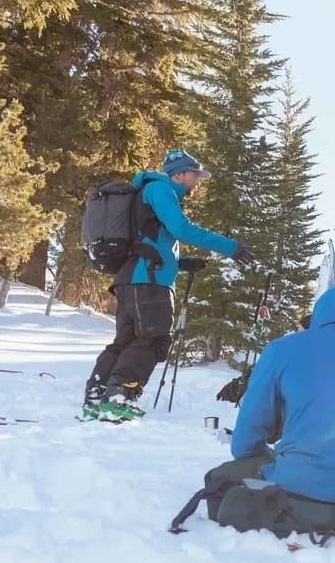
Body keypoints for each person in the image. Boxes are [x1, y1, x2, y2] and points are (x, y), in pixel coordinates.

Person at [174, 281, 335, 540]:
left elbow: (246, 442)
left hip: (302, 488)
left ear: (321, 312)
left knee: (221, 477)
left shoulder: (283, 349)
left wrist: (268, 459)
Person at [82, 149, 253, 422]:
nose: (198, 181)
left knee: (126, 342)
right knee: (154, 339)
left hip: (133, 278)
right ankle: (119, 397)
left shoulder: (150, 193)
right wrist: (231, 247)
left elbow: (150, 240)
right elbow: (181, 229)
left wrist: (180, 262)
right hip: (149, 281)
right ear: (179, 173)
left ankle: (97, 398)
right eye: (195, 175)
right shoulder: (161, 189)